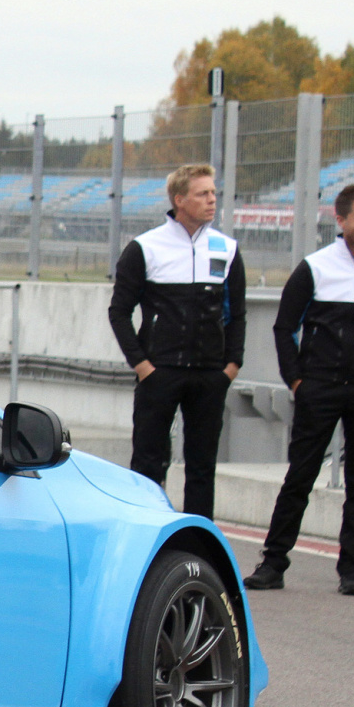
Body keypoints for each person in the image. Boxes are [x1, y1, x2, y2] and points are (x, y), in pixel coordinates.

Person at [244, 182, 354, 595]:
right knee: (301, 477)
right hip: (320, 388)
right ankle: (273, 563)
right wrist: (296, 379)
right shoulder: (315, 267)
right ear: (342, 219)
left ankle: (352, 571)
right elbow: (284, 328)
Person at [108, 163, 246, 517]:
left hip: (210, 376)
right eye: (203, 194)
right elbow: (119, 312)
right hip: (160, 373)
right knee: (150, 463)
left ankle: (200, 547)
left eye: (214, 193)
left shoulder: (227, 249)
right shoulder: (145, 247)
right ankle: (145, 531)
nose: (212, 200)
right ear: (180, 200)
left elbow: (237, 315)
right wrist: (143, 366)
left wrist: (231, 366)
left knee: (202, 467)